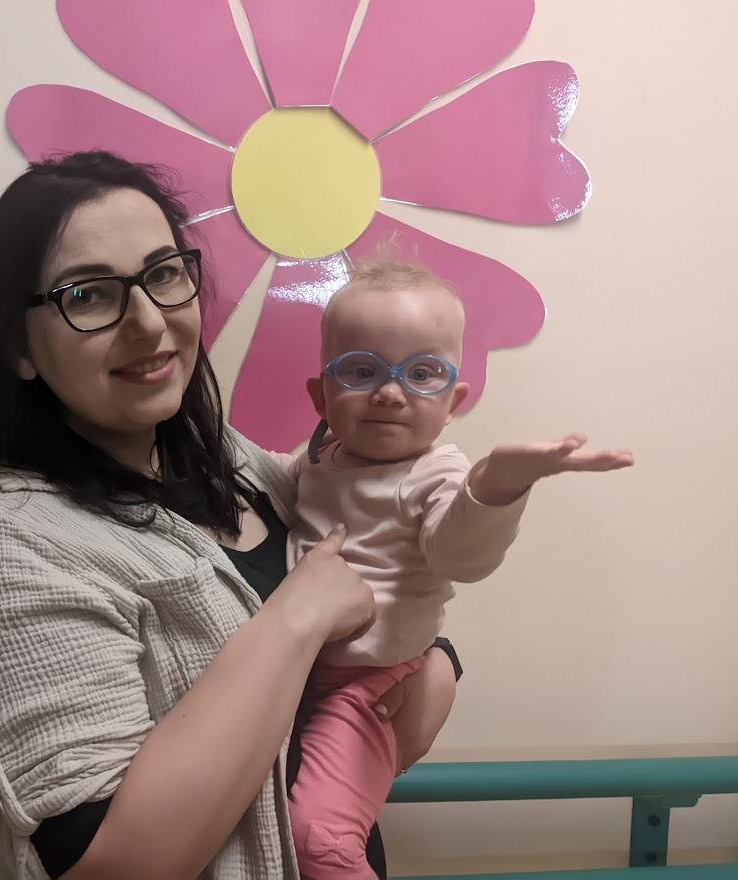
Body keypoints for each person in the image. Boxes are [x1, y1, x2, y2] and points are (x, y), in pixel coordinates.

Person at [0, 151, 460, 879]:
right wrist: (298, 619)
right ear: (16, 345)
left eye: (163, 274)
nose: (149, 323)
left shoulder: (237, 463)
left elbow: (387, 591)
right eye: (88, 295)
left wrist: (438, 665)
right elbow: (111, 867)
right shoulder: (10, 540)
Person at [279, 260, 634, 879]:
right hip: (289, 676)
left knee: (317, 837)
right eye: (362, 371)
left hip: (365, 686)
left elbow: (460, 555)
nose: (390, 393)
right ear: (321, 395)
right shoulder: (312, 460)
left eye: (422, 374)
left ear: (452, 403)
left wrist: (497, 484)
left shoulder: (434, 474)